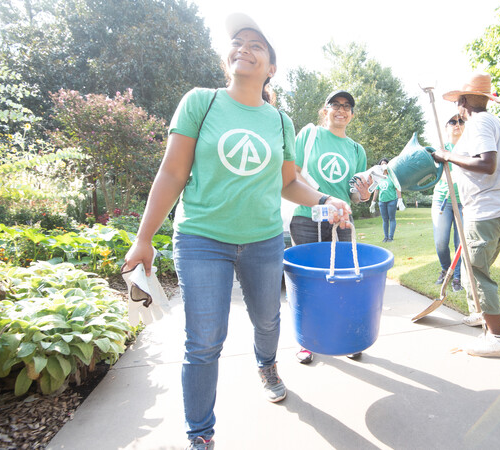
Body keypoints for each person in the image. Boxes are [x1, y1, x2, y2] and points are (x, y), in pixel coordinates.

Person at [123, 13, 350, 450]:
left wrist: (324, 199)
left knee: (267, 318)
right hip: (201, 239)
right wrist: (144, 236)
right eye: (237, 42)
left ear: (271, 68)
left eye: (256, 46)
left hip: (264, 239)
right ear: (227, 56)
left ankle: (267, 365)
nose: (244, 48)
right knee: (204, 340)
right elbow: (172, 173)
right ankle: (200, 435)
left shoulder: (281, 122)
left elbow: (289, 183)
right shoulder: (200, 102)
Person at [432, 72, 500, 358]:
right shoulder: (492, 121)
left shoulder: (480, 122)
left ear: (465, 100)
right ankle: (479, 314)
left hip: (488, 211)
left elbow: (487, 164)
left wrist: (447, 156)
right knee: (477, 267)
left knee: (477, 272)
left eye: (460, 98)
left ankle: (498, 339)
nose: (457, 103)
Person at [289, 90, 370, 364]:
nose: (341, 110)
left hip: (341, 222)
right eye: (335, 105)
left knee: (343, 282)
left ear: (352, 114)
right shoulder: (309, 135)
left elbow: (354, 195)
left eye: (347, 106)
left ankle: (343, 337)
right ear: (325, 110)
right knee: (308, 283)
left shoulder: (357, 150)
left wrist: (364, 194)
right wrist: (323, 199)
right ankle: (307, 340)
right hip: (306, 217)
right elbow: (293, 174)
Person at [432, 114, 465, 290]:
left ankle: (457, 277)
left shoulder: (470, 147)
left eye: (461, 121)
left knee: (460, 244)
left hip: (464, 202)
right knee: (440, 241)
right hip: (442, 201)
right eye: (452, 121)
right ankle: (446, 269)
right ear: (445, 127)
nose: (457, 124)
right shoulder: (439, 148)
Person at [370, 158, 404, 242]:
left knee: (392, 218)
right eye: (381, 164)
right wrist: (373, 202)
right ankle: (385, 237)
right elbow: (376, 190)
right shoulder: (378, 178)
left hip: (392, 201)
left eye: (385, 163)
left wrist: (400, 200)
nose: (383, 165)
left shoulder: (392, 177)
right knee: (385, 220)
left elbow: (397, 188)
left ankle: (390, 237)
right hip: (382, 202)